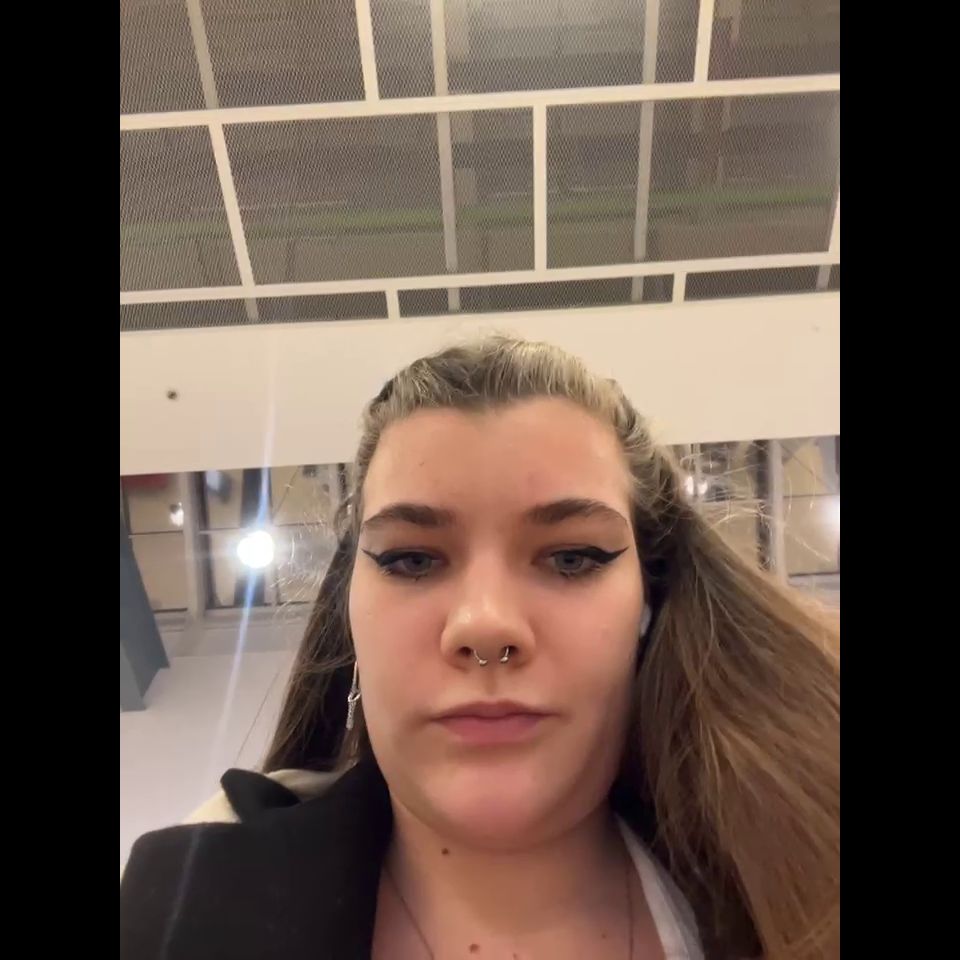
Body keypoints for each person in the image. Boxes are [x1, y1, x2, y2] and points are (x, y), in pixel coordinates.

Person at [120, 337, 840, 960]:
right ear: (351, 618)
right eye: (411, 560)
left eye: (572, 558)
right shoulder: (179, 912)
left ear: (649, 606)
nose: (485, 625)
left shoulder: (807, 891)